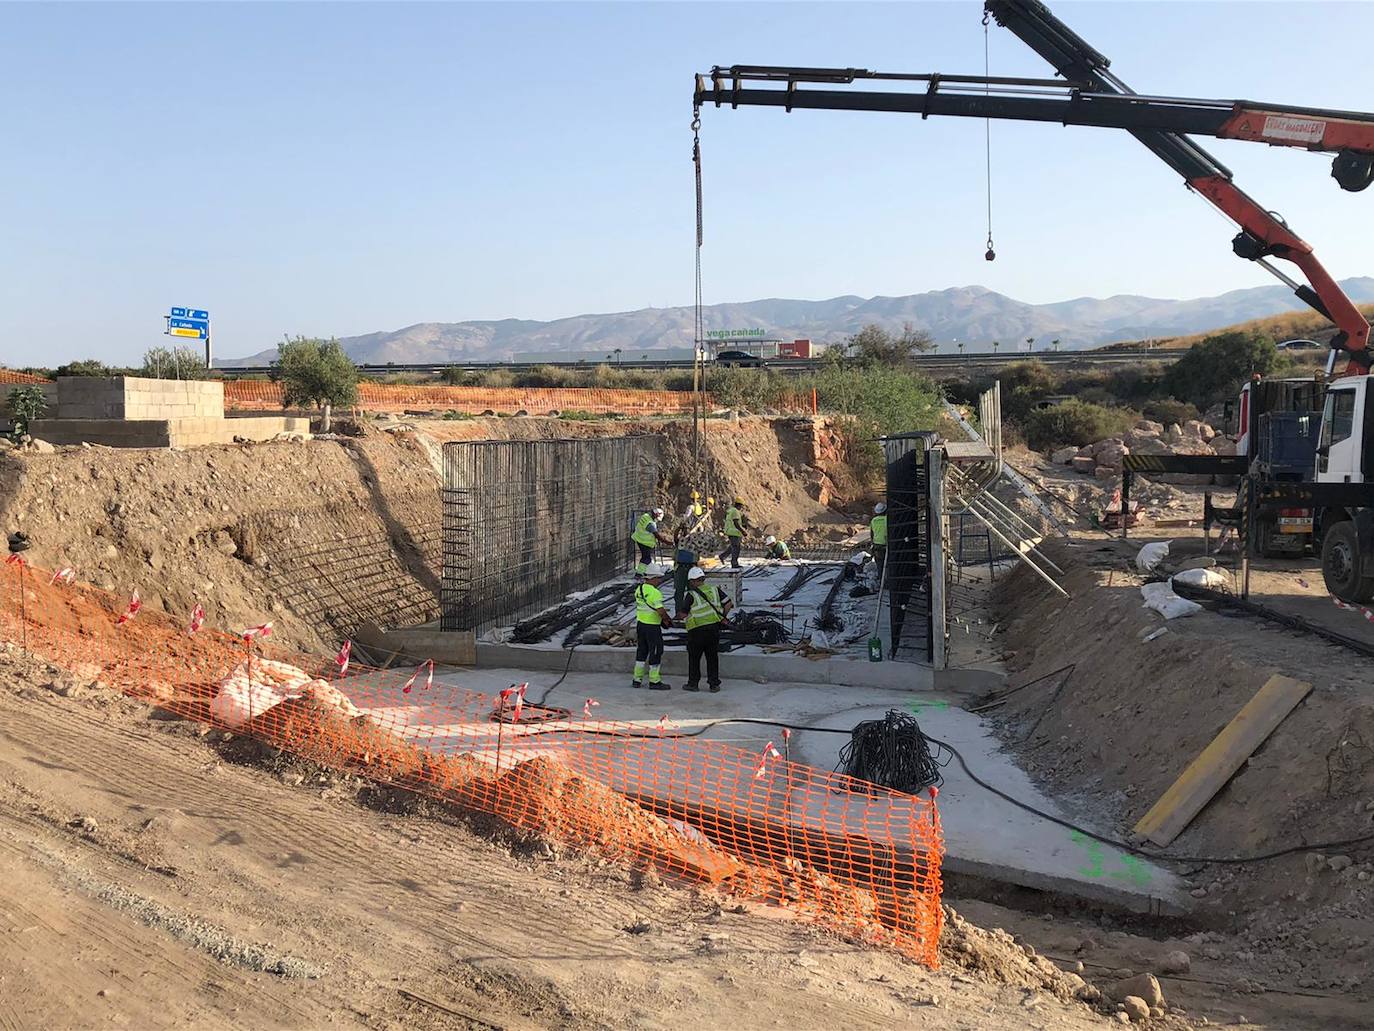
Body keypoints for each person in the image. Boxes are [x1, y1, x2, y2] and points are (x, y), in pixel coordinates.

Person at [678, 566, 732, 693]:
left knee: (694, 658)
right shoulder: (715, 590)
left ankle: (693, 684)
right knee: (712, 657)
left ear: (692, 581)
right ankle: (714, 684)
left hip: (696, 630)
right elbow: (728, 604)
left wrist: (676, 617)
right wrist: (723, 616)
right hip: (713, 628)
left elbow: (684, 614)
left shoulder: (691, 595)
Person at [632, 564, 672, 690]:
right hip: (652, 627)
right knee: (656, 652)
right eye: (658, 578)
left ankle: (636, 679)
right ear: (653, 578)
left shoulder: (639, 590)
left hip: (641, 625)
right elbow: (660, 610)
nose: (659, 581)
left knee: (642, 651)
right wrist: (667, 620)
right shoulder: (655, 593)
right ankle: (654, 681)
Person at [632, 506, 672, 575]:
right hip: (644, 542)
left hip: (639, 538)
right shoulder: (650, 524)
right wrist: (667, 542)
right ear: (656, 515)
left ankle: (643, 571)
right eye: (657, 518)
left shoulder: (645, 516)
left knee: (646, 558)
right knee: (646, 558)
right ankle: (639, 573)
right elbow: (657, 535)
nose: (657, 520)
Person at [717, 495, 747, 569]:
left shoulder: (731, 510)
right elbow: (736, 523)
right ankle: (734, 563)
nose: (742, 508)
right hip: (734, 532)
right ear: (739, 505)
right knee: (736, 548)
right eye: (742, 506)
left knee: (733, 547)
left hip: (730, 531)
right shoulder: (735, 511)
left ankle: (722, 556)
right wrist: (743, 531)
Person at [870, 501, 888, 581]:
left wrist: (873, 544)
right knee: (888, 565)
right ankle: (888, 582)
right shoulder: (887, 519)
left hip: (877, 546)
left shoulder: (873, 520)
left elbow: (872, 534)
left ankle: (881, 581)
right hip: (886, 545)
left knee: (880, 565)